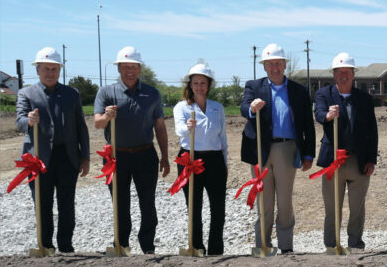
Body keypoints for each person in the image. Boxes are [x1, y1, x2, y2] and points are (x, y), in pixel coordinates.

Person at [240, 43, 316, 253]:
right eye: (270, 64)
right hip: (260, 149)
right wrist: (252, 108)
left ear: (284, 65)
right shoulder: (254, 86)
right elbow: (244, 108)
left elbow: (308, 125)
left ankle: (286, 247)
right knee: (263, 201)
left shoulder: (299, 90)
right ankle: (263, 246)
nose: (274, 67)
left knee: (284, 201)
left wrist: (309, 153)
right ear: (264, 66)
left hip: (287, 149)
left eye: (278, 63)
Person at [94, 46, 170, 254]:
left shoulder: (152, 93)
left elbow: (160, 126)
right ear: (118, 68)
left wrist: (165, 156)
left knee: (147, 202)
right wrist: (107, 116)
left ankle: (147, 246)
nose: (130, 71)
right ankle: (121, 244)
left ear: (140, 69)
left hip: (145, 154)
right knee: (120, 203)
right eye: (125, 67)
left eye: (134, 67)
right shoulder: (106, 93)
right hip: (116, 157)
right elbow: (98, 123)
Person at [15, 47, 90, 253]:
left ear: (60, 71)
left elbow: (80, 126)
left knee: (66, 203)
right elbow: (19, 121)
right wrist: (28, 121)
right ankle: (45, 245)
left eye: (54, 69)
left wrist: (85, 156)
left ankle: (66, 245)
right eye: (46, 69)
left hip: (67, 156)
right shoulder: (26, 93)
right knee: (42, 202)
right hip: (38, 158)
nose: (50, 73)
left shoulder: (71, 93)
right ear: (37, 70)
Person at [313, 52, 377, 251]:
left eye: (347, 72)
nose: (343, 75)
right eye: (339, 72)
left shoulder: (364, 99)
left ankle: (355, 244)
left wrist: (371, 160)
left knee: (357, 208)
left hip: (358, 161)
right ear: (334, 74)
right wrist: (328, 116)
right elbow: (319, 114)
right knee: (332, 208)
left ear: (353, 74)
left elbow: (372, 131)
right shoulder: (324, 94)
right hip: (333, 161)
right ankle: (332, 245)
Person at [173, 63, 229, 255]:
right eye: (195, 83)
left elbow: (223, 138)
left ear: (209, 85)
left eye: (203, 83)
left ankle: (216, 248)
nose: (199, 86)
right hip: (190, 157)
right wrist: (187, 127)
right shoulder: (182, 107)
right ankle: (196, 246)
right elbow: (178, 131)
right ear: (190, 85)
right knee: (194, 205)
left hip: (214, 159)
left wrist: (225, 161)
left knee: (218, 206)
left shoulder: (217, 108)